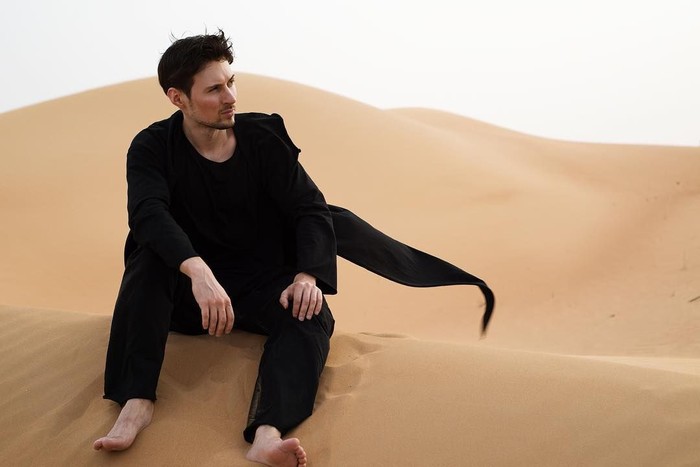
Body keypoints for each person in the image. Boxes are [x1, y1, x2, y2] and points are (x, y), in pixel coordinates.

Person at [94, 30, 495, 467]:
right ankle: (136, 402)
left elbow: (309, 207)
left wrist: (307, 276)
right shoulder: (152, 147)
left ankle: (267, 433)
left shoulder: (263, 138)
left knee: (310, 312)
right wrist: (198, 272)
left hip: (257, 287)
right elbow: (148, 213)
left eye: (231, 82)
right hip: (189, 298)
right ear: (178, 98)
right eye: (214, 89)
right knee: (149, 254)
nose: (230, 97)